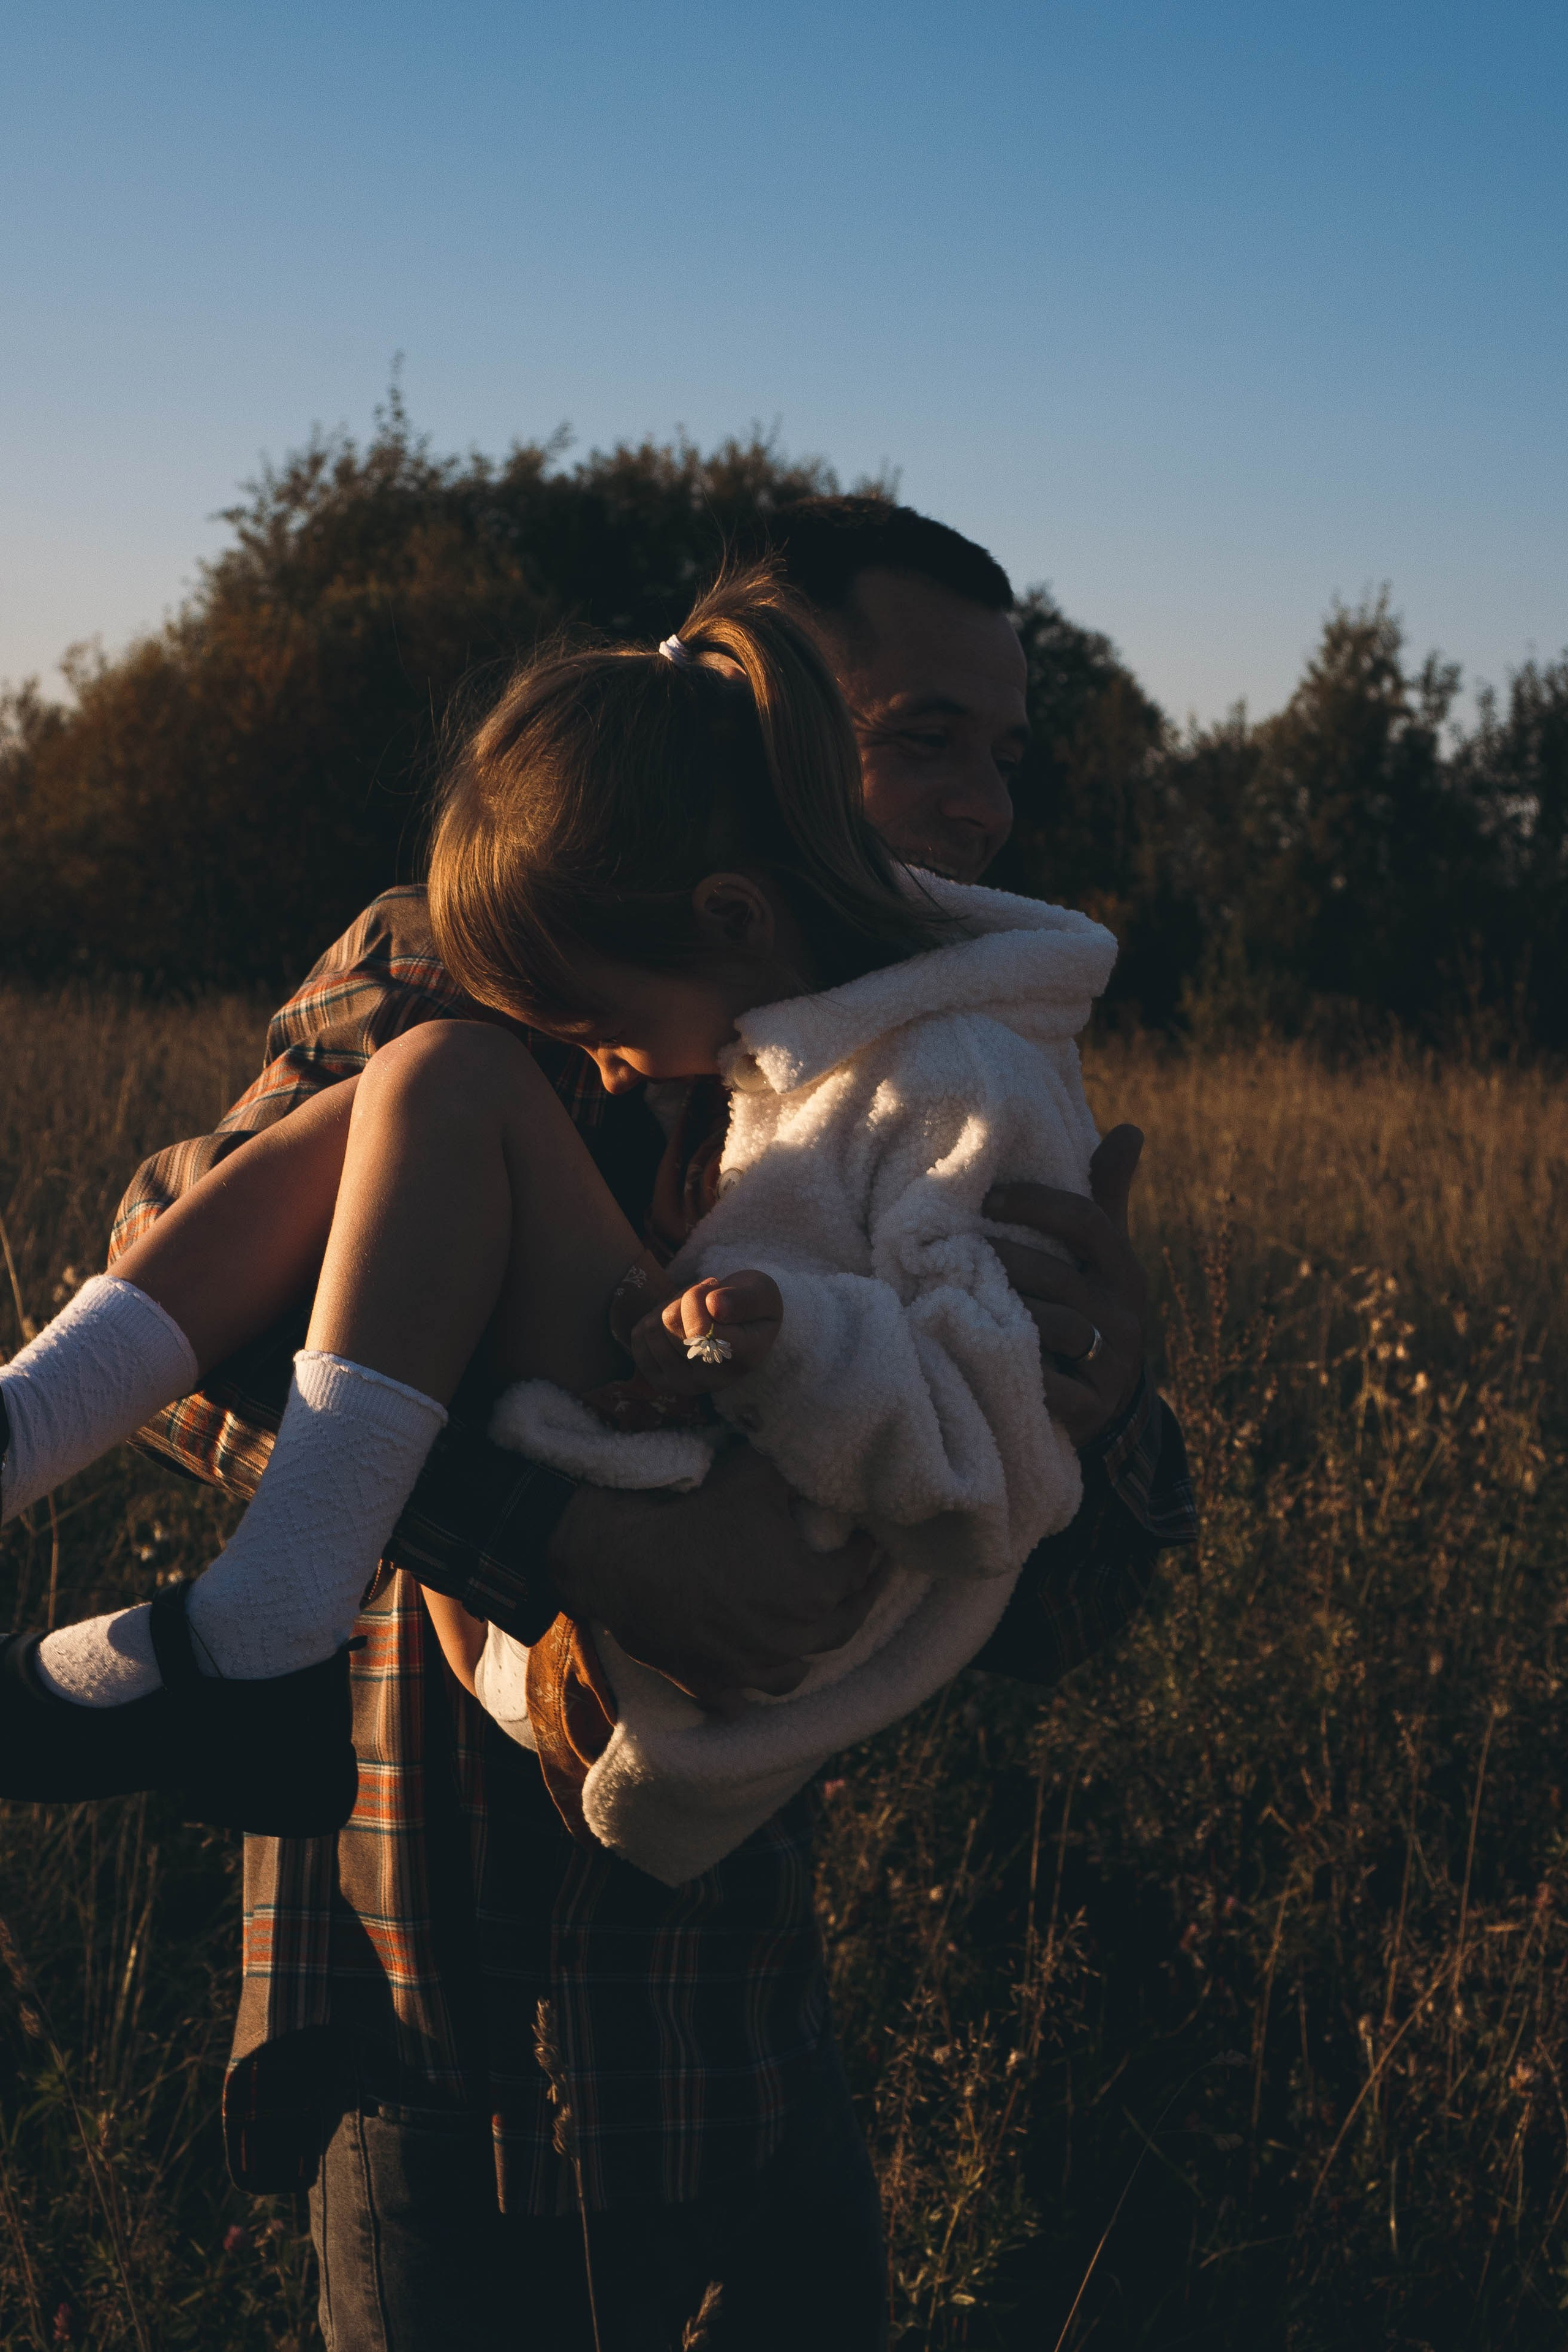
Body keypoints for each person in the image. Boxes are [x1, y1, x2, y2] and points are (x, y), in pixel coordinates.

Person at [2, 499, 1196, 2348]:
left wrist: (1103, 1414)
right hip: (431, 2013)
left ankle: (243, 1639)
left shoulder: (936, 1068)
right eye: (922, 740)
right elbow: (189, 1275)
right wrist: (566, 1534)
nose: (983, 807)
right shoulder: (482, 936)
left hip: (730, 2015)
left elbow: (1066, 1617)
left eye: (1005, 753)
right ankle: (238, 1630)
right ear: (757, 723)